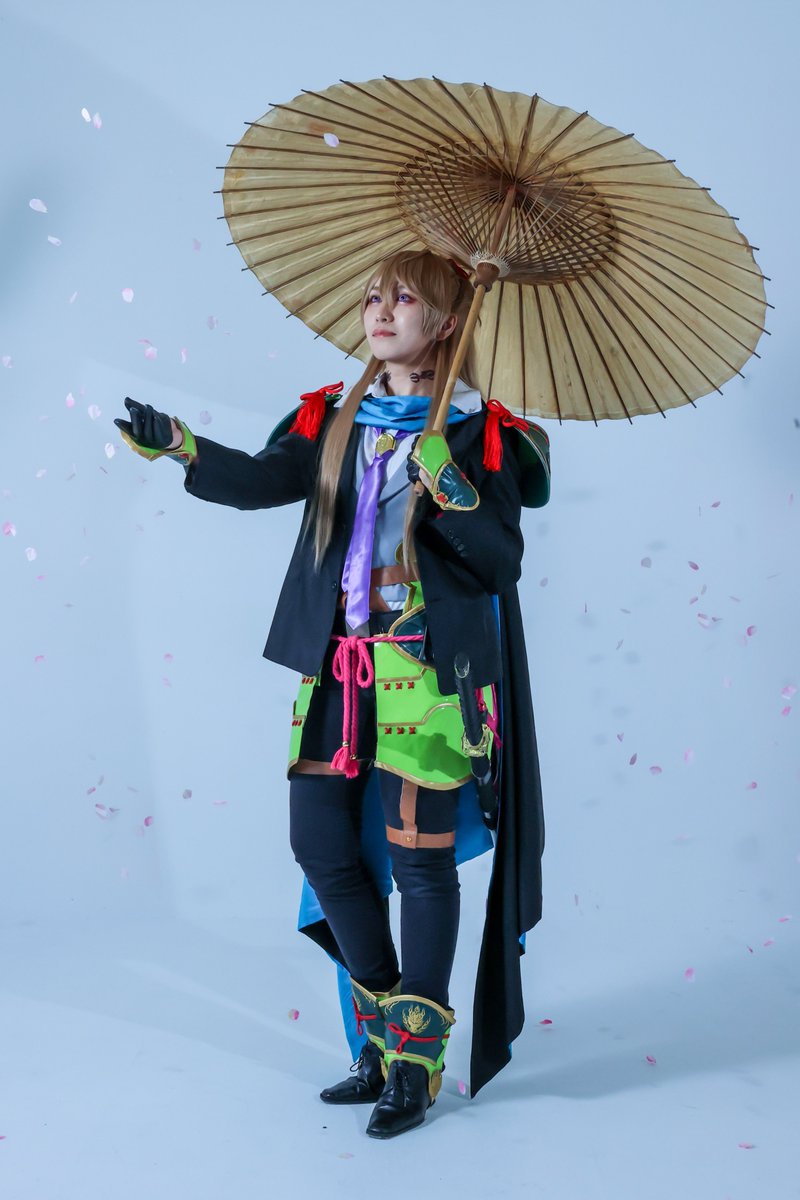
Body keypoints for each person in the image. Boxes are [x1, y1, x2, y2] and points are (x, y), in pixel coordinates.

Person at [115, 249, 550, 1139]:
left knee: (421, 863)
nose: (379, 311)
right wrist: (182, 446)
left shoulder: (484, 435)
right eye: (373, 296)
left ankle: (414, 1068)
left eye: (404, 298)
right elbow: (261, 481)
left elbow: (501, 563)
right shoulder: (336, 418)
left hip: (427, 676)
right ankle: (389, 1036)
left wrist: (452, 489)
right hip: (338, 669)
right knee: (319, 846)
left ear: (447, 322)